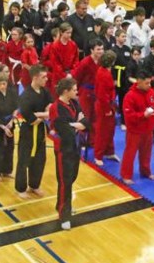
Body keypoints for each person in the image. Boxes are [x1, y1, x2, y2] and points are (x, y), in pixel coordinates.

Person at [50, 77, 91, 230]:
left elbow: (86, 121)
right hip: (63, 149)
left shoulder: (74, 102)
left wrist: (74, 124)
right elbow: (65, 131)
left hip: (75, 146)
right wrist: (77, 125)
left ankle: (61, 205)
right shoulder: (56, 108)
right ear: (66, 91)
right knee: (65, 181)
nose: (76, 92)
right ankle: (64, 215)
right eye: (74, 90)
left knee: (72, 177)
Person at [15, 65, 51, 199]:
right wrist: (44, 115)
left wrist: (40, 114)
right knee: (24, 160)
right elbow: (32, 119)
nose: (46, 79)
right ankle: (20, 188)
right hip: (28, 132)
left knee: (40, 159)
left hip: (41, 130)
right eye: (44, 77)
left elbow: (51, 108)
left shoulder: (44, 91)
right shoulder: (26, 96)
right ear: (35, 78)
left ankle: (34, 185)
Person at [121, 69, 154, 182]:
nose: (149, 85)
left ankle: (145, 171)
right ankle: (126, 175)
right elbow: (129, 116)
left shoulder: (151, 92)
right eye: (146, 83)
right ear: (138, 81)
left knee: (146, 153)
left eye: (150, 82)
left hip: (148, 129)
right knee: (130, 153)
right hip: (135, 130)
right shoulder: (130, 96)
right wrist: (143, 115)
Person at [93, 51, 119, 166]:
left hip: (109, 104)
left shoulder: (106, 71)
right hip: (104, 106)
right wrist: (107, 109)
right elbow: (102, 94)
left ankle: (109, 151)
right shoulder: (103, 74)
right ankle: (98, 155)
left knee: (110, 130)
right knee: (102, 131)